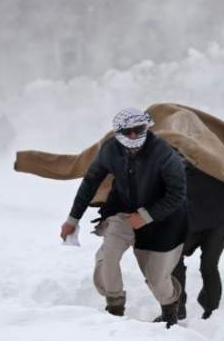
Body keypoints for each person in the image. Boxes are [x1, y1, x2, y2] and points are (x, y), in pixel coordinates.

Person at [59, 108, 187, 328]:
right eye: (128, 132)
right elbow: (90, 183)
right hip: (122, 213)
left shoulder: (165, 154)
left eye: (139, 130)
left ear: (147, 127)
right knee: (108, 256)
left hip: (161, 219)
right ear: (118, 132)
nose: (134, 136)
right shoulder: (109, 150)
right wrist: (72, 219)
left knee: (157, 279)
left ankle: (170, 310)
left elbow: (177, 195)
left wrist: (146, 216)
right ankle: (114, 308)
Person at [168, 162, 224, 321]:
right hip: (218, 220)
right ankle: (209, 309)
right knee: (209, 265)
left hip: (206, 220)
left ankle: (178, 307)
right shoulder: (216, 163)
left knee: (175, 259)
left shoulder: (177, 166)